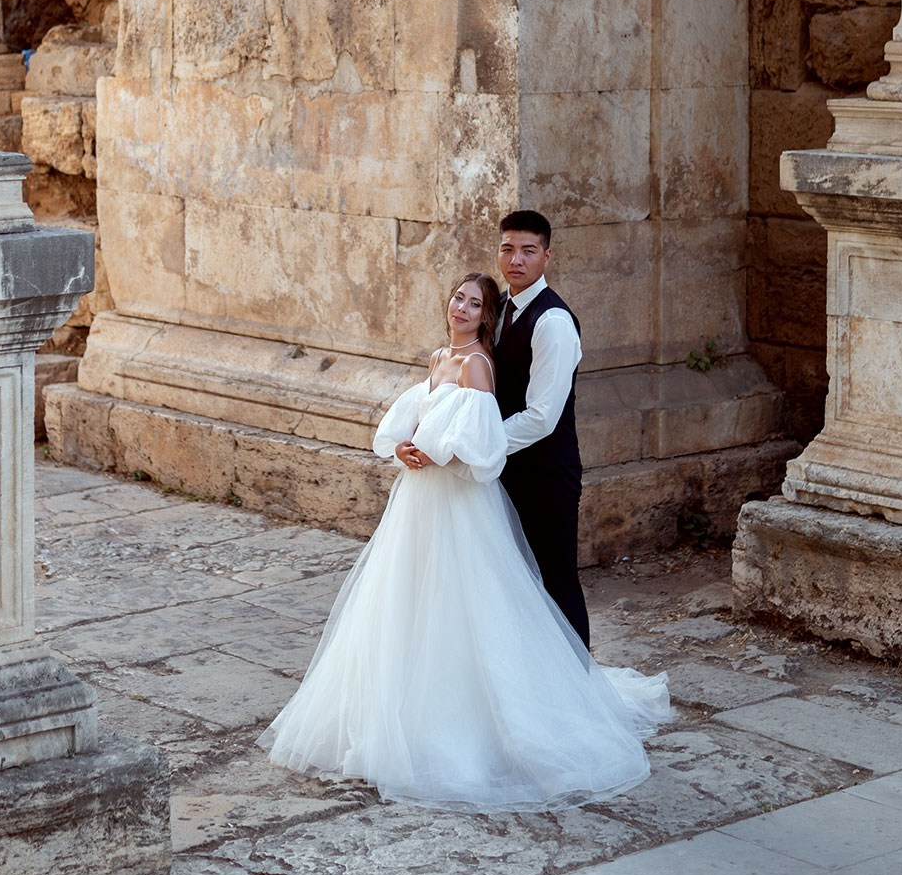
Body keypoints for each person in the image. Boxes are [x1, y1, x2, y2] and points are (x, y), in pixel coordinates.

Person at [259, 272, 669, 810]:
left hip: (456, 501)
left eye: (475, 304)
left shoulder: (478, 365)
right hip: (419, 501)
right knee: (407, 596)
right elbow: (419, 420)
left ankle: (470, 725)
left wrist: (437, 455)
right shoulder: (437, 361)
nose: (463, 308)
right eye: (458, 297)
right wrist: (407, 448)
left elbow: (480, 442)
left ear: (485, 317)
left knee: (463, 600)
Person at [495, 209, 590, 647]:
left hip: (547, 476)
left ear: (546, 256)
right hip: (506, 470)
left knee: (556, 579)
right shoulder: (498, 308)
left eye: (528, 251)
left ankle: (580, 690)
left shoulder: (552, 322)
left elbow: (542, 417)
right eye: (508, 249)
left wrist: (482, 443)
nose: (516, 259)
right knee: (514, 581)